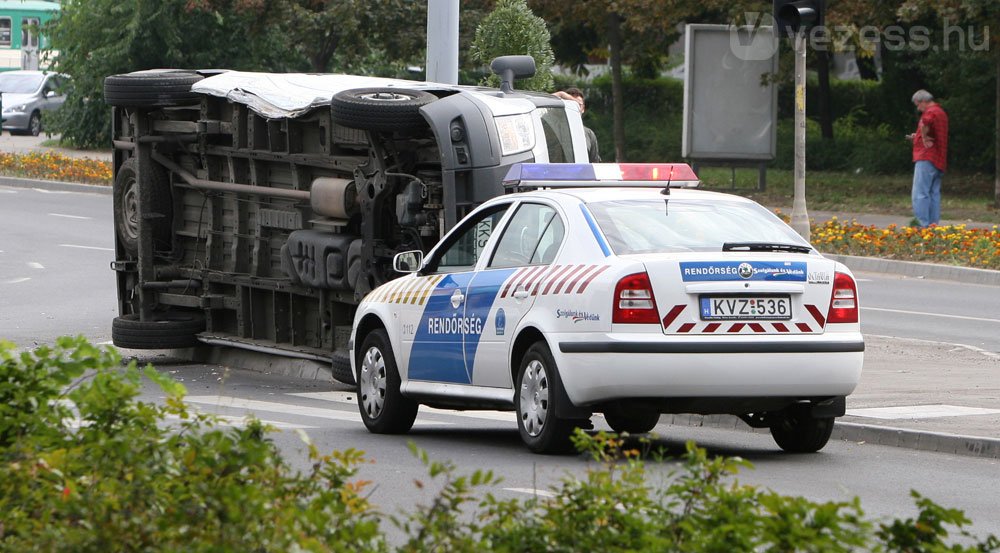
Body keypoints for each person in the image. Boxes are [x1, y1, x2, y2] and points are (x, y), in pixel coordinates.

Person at [906, 90, 948, 227]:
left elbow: (926, 122)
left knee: (920, 193)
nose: (918, 108)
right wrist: (918, 136)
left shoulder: (931, 112)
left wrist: (923, 137)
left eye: (918, 105)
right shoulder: (941, 112)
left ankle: (921, 226)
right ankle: (932, 225)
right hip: (939, 159)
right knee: (933, 193)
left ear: (924, 101)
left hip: (926, 158)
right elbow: (932, 130)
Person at [554, 87, 601, 162]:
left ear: (583, 109)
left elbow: (594, 164)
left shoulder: (589, 134)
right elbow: (539, 104)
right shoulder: (552, 129)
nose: (574, 108)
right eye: (571, 103)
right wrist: (560, 94)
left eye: (578, 104)